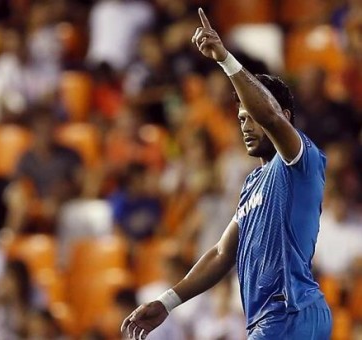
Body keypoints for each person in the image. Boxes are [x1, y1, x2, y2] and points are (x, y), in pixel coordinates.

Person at [122, 8, 332, 340]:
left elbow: (272, 118)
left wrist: (225, 59)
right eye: (242, 119)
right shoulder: (253, 185)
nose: (247, 126)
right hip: (273, 317)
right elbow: (221, 254)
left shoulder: (299, 161)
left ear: (285, 115)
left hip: (289, 311)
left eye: (253, 117)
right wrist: (167, 302)